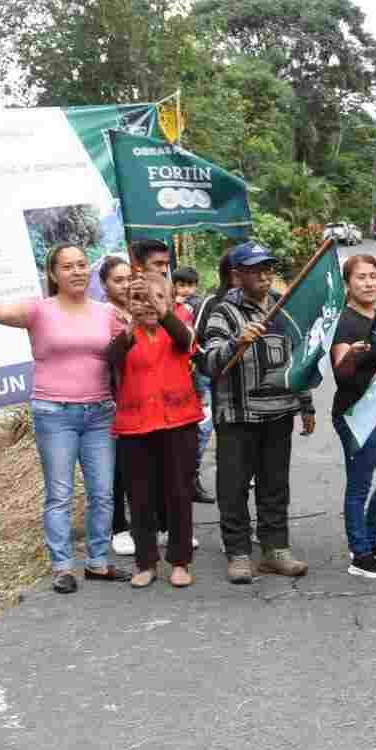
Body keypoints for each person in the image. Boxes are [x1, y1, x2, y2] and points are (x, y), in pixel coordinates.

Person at [0, 244, 129, 592]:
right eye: (67, 266)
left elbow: (135, 343)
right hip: (54, 414)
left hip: (100, 413)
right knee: (59, 493)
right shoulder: (39, 310)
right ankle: (62, 567)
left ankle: (98, 563)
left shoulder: (107, 313)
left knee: (102, 493)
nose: (76, 271)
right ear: (53, 274)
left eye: (82, 265)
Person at [200, 242, 316, 584]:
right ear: (237, 276)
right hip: (237, 415)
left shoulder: (284, 308)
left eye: (268, 268)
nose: (264, 275)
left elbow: (300, 359)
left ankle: (275, 549)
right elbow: (207, 361)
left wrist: (306, 403)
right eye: (255, 269)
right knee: (233, 486)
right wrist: (236, 342)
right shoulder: (224, 311)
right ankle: (238, 553)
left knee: (275, 484)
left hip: (280, 412)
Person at [106, 272, 202, 588]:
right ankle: (145, 562)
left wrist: (161, 311)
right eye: (138, 298)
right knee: (141, 496)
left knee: (179, 492)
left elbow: (188, 342)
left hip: (179, 423)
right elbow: (113, 359)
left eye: (156, 297)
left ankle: (180, 560)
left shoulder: (177, 329)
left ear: (170, 300)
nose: (147, 304)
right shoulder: (124, 335)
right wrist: (133, 321)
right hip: (135, 428)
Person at [328, 254, 376, 580]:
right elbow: (340, 373)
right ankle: (359, 554)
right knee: (359, 486)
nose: (369, 283)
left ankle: (371, 540)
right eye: (361, 277)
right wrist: (353, 354)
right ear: (348, 284)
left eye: (373, 276)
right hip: (356, 413)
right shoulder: (344, 321)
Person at [98, 256, 141, 558]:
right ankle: (119, 528)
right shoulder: (103, 315)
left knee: (142, 467)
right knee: (117, 470)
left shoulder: (140, 307)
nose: (125, 285)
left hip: (145, 397)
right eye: (118, 280)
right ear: (104, 285)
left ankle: (148, 525)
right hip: (114, 399)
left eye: (129, 278)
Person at [173, 266, 215, 504]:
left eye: (190, 285)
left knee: (204, 426)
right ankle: (189, 478)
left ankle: (192, 477)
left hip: (202, 371)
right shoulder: (173, 306)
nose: (186, 290)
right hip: (193, 374)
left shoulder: (201, 303)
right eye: (181, 285)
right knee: (201, 427)